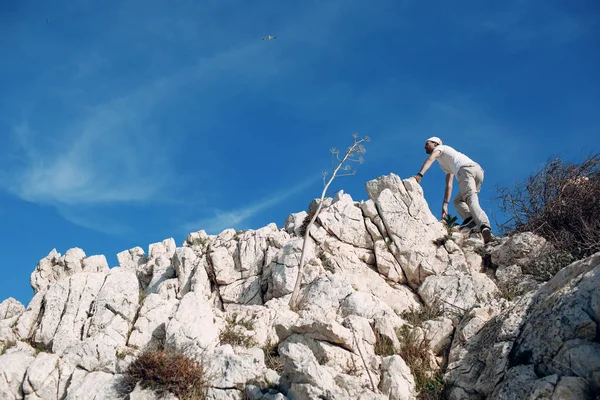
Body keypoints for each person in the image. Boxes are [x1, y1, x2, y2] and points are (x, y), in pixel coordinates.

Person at [412, 137, 493, 244]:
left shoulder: (441, 148)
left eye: (427, 143)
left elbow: (430, 159)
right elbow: (449, 185)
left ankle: (484, 225)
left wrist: (419, 175)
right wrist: (445, 204)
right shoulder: (444, 162)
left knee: (470, 199)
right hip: (478, 172)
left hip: (465, 170)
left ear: (435, 144)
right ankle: (470, 218)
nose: (425, 147)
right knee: (458, 201)